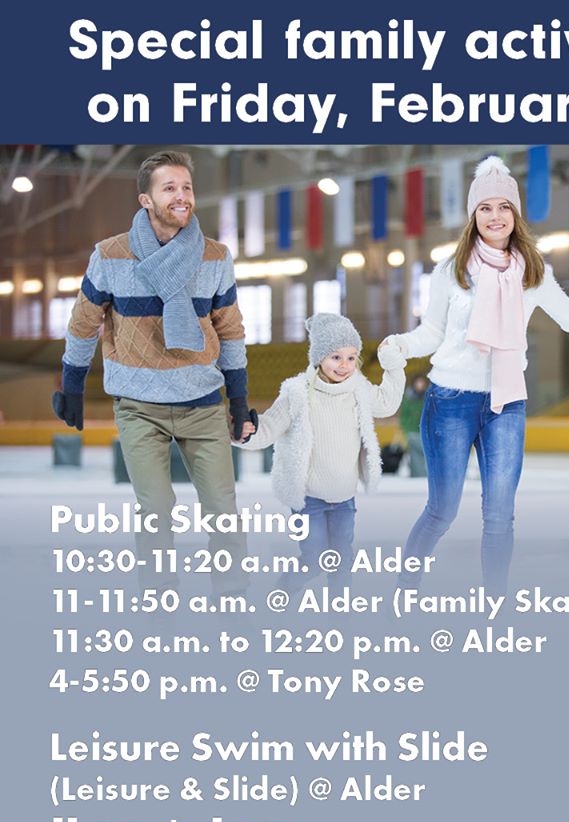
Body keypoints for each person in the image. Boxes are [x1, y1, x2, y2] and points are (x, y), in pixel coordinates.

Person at [383, 155, 569, 593]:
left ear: (516, 213)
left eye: (504, 206)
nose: (495, 216)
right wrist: (401, 345)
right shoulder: (450, 272)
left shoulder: (533, 272)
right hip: (450, 400)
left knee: (499, 516)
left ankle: (495, 602)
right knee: (442, 510)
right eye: (485, 207)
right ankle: (405, 585)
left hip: (506, 401)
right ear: (473, 215)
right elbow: (431, 332)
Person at [52, 150, 256, 591]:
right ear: (146, 200)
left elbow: (230, 330)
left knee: (223, 509)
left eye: (187, 187)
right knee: (156, 509)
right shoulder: (110, 255)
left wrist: (238, 400)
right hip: (139, 405)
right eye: (170, 188)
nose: (182, 196)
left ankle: (231, 597)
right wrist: (72, 384)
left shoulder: (215, 256)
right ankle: (161, 601)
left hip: (202, 403)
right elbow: (84, 324)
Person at [241, 312, 406, 590]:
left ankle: (339, 612)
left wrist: (393, 365)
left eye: (351, 358)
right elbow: (269, 428)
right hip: (308, 499)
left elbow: (388, 403)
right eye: (336, 357)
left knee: (341, 562)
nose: (344, 365)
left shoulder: (359, 390)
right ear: (319, 357)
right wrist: (245, 433)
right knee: (313, 560)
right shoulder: (297, 393)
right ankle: (281, 594)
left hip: (344, 498)